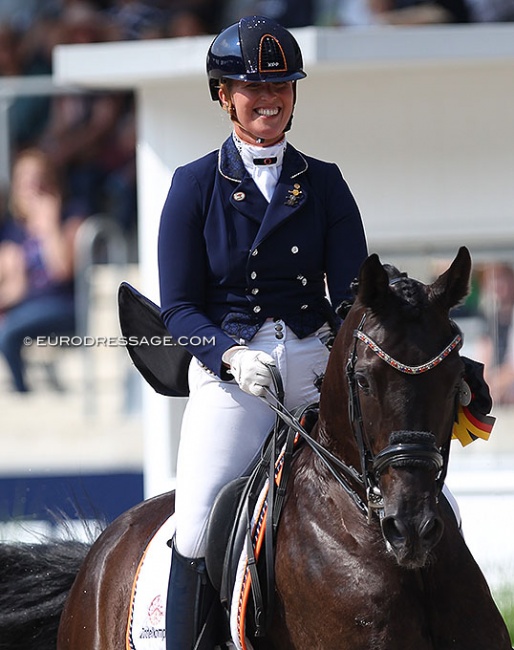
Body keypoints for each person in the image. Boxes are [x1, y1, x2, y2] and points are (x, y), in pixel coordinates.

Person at [157, 16, 368, 648]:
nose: (269, 97)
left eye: (282, 84)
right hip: (235, 375)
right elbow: (178, 309)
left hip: (312, 364)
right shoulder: (194, 185)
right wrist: (229, 355)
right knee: (194, 524)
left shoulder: (324, 182)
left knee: (409, 495)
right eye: (252, 86)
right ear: (223, 95)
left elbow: (355, 294)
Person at [0, 148, 83, 392]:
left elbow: (62, 270)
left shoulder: (69, 216)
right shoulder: (13, 229)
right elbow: (14, 285)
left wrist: (49, 225)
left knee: (8, 334)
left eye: (37, 177)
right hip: (25, 307)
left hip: (60, 305)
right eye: (24, 178)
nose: (31, 186)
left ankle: (22, 394)